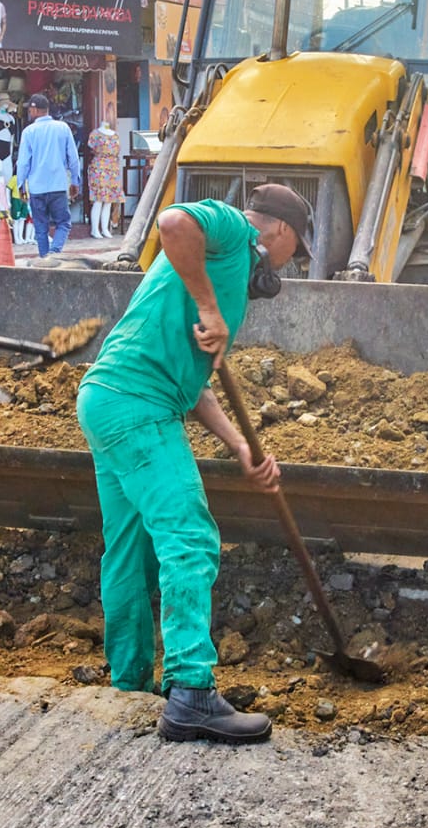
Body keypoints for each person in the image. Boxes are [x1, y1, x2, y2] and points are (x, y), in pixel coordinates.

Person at [77, 184, 313, 744]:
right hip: (138, 406)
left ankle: (130, 682)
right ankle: (190, 692)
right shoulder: (233, 231)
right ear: (278, 231)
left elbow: (195, 383)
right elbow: (174, 220)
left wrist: (239, 447)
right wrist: (208, 305)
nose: (290, 265)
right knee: (191, 537)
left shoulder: (217, 274)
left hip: (109, 398)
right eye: (295, 251)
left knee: (129, 547)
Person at [15, 93, 81, 258]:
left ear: (35, 109)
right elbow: (73, 158)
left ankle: (45, 257)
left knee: (40, 227)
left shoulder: (28, 132)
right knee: (63, 223)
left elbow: (23, 163)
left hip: (37, 187)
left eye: (30, 109)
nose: (29, 112)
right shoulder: (63, 128)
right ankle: (54, 251)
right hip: (58, 185)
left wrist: (20, 185)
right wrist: (75, 181)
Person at [86, 122, 123, 238]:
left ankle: (105, 228)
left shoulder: (115, 135)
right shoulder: (95, 134)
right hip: (99, 167)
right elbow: (91, 148)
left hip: (113, 168)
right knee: (98, 199)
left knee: (109, 200)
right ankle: (95, 229)